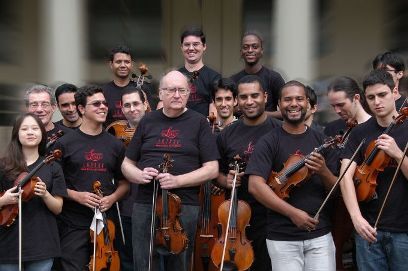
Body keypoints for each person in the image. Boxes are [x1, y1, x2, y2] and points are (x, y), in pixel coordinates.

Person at [121, 70, 219, 271]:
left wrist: (178, 181)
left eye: (182, 90)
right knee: (144, 262)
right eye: (171, 90)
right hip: (146, 202)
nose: (177, 95)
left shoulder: (199, 122)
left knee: (180, 263)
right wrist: (138, 175)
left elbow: (212, 169)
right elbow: (126, 164)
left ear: (189, 93)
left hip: (184, 205)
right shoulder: (148, 121)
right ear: (161, 93)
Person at [246, 80, 337, 271]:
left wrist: (324, 171)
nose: (293, 103)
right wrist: (293, 214)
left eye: (299, 99)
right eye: (287, 99)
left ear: (308, 104)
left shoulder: (322, 140)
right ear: (279, 105)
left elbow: (337, 190)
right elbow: (255, 186)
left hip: (319, 236)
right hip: (281, 238)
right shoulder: (269, 141)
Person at [339, 69, 408, 271]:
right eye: (371, 97)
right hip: (369, 229)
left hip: (404, 231)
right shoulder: (360, 132)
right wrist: (356, 217)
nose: (377, 102)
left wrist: (397, 153)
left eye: (382, 95)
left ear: (395, 92)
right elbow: (345, 177)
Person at [54, 85, 129, 271]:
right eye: (96, 104)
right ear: (81, 109)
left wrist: (112, 198)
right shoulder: (64, 143)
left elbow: (125, 183)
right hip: (73, 223)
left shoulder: (115, 145)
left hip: (106, 224)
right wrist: (76, 196)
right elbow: (53, 183)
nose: (103, 107)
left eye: (104, 103)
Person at [216, 75, 281, 270]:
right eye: (244, 97)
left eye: (255, 95)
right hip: (237, 219)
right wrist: (224, 180)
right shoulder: (227, 133)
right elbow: (214, 172)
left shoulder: (279, 130)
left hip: (273, 216)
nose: (249, 101)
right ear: (237, 100)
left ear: (265, 97)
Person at [0, 113, 67, 270]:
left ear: (42, 134)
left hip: (42, 242)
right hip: (7, 241)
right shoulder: (3, 166)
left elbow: (58, 208)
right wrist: (4, 200)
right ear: (17, 134)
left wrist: (45, 194)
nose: (30, 132)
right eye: (24, 129)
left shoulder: (53, 167)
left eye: (35, 128)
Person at [323, 76, 372, 270]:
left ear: (356, 98)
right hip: (338, 202)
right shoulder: (334, 128)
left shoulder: (374, 127)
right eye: (333, 106)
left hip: (368, 199)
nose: (337, 111)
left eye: (341, 104)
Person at [114, 86, 150, 271]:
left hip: (154, 207)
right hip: (127, 208)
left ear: (145, 104)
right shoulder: (116, 137)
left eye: (136, 103)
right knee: (129, 261)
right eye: (127, 105)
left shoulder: (157, 131)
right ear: (122, 109)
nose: (132, 108)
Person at [231, 31, 285, 118]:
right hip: (241, 129)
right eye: (246, 47)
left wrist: (262, 114)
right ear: (241, 52)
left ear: (262, 51)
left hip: (269, 129)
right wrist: (236, 109)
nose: (250, 50)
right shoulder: (233, 80)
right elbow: (226, 109)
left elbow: (286, 112)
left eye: (255, 47)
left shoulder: (274, 78)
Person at [102, 45, 154, 126]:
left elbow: (152, 117)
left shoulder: (143, 89)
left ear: (132, 64)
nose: (123, 65)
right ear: (111, 64)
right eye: (118, 62)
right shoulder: (103, 92)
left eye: (127, 62)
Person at [177, 27, 221, 117]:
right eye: (187, 44)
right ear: (181, 47)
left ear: (204, 46)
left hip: (203, 128)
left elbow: (214, 109)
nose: (191, 48)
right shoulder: (174, 77)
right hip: (178, 128)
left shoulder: (214, 77)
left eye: (196, 44)